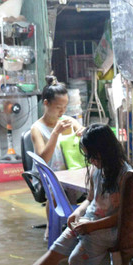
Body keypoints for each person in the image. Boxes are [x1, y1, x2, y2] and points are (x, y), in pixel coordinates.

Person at [0, 124, 130, 265]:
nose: (91, 160)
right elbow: (90, 199)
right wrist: (77, 213)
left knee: (76, 261)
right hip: (89, 222)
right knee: (56, 250)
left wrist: (92, 226)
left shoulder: (125, 176)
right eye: (88, 156)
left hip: (109, 228)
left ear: (106, 151)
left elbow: (124, 215)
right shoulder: (96, 170)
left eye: (93, 156)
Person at [30, 78, 83, 235]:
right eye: (58, 107)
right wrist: (55, 133)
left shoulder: (68, 121)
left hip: (69, 172)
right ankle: (51, 226)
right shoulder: (37, 128)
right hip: (47, 174)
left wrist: (83, 132)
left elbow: (84, 135)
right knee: (54, 189)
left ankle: (73, 224)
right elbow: (43, 159)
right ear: (46, 103)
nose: (62, 111)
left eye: (65, 107)